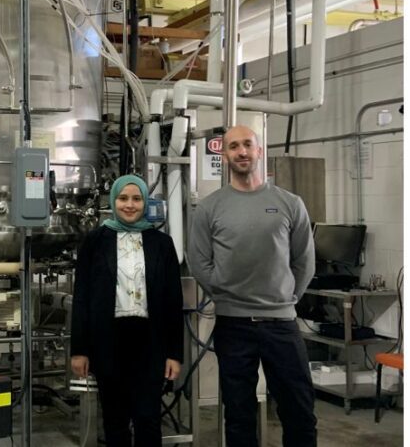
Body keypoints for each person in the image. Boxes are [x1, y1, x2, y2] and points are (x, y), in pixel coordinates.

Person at [187, 125, 317, 447]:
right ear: (224, 154)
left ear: (259, 150)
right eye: (234, 146)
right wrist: (224, 293)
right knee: (239, 413)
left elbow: (304, 260)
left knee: (299, 410)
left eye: (247, 145)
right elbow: (199, 262)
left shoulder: (290, 203)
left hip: (282, 323)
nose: (241, 152)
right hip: (234, 325)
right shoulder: (210, 207)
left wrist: (288, 298)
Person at [70, 174, 184, 447]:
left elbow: (172, 301)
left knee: (148, 420)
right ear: (113, 201)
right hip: (108, 341)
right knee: (114, 420)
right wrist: (79, 350)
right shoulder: (95, 241)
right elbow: (82, 298)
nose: (129, 205)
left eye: (136, 199)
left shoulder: (162, 244)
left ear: (145, 202)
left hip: (150, 343)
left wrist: (174, 354)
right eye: (123, 198)